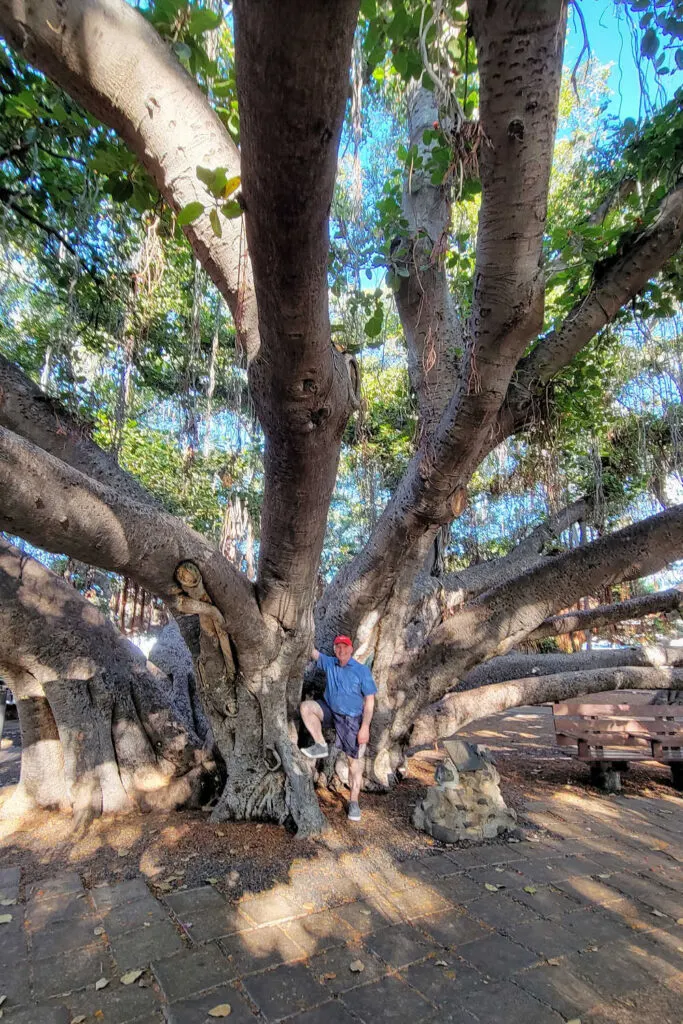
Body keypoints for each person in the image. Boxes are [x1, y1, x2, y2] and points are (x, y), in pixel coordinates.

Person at [299, 635, 377, 822]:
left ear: (351, 650)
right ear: (335, 650)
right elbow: (313, 652)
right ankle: (320, 744)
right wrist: (301, 633)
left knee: (354, 764)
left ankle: (354, 802)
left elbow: (370, 702)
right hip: (330, 710)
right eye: (338, 647)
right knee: (306, 708)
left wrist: (365, 727)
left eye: (345, 647)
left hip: (351, 720)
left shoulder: (361, 671)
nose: (341, 650)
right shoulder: (330, 662)